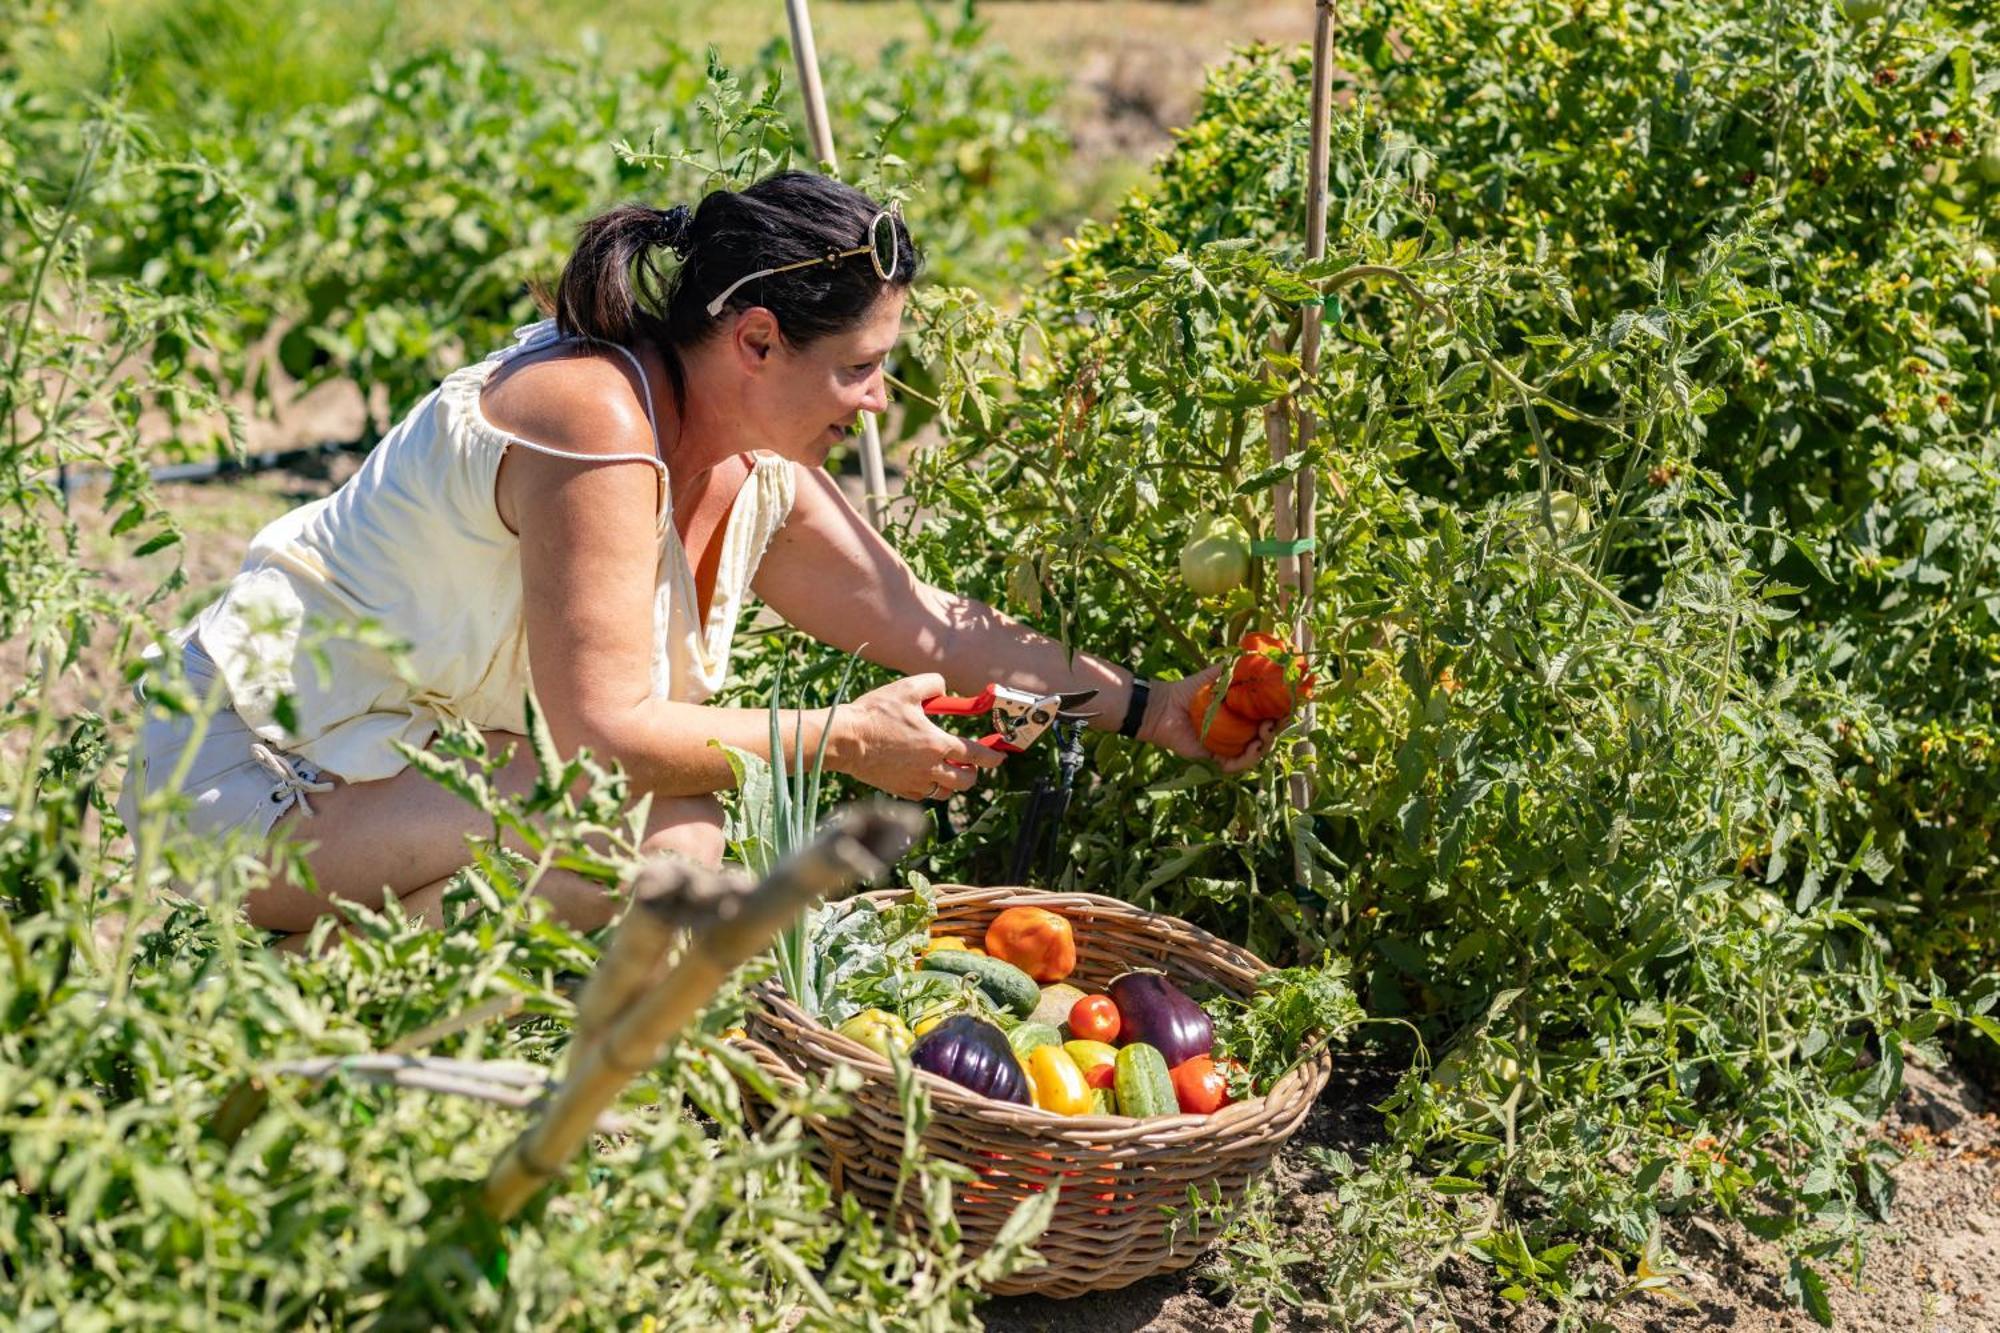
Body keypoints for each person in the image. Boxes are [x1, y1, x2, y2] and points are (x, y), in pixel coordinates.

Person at [118, 172, 1273, 946]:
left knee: (680, 855)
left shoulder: (748, 453)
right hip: (243, 784)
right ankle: (297, 997)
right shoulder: (589, 419)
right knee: (656, 844)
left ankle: (349, 985)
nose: (878, 405)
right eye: (859, 369)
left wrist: (1149, 707)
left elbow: (923, 623)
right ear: (756, 338)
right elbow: (605, 735)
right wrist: (846, 742)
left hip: (399, 781)